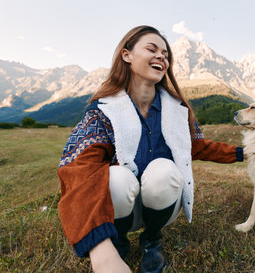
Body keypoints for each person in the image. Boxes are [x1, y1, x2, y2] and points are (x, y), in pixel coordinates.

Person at [57, 25, 244, 273]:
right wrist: (99, 252)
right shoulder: (102, 111)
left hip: (163, 201)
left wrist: (244, 152)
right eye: (152, 49)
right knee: (117, 177)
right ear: (127, 55)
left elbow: (198, 147)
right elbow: (79, 169)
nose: (162, 57)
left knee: (163, 170)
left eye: (166, 54)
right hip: (120, 205)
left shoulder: (178, 110)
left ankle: (152, 240)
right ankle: (117, 239)